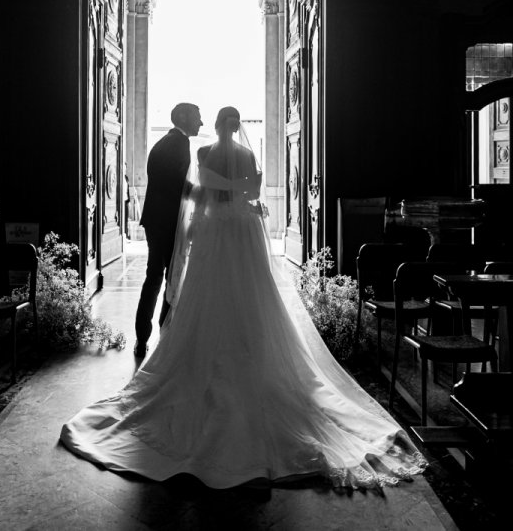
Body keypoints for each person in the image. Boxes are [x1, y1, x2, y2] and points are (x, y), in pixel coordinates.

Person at [60, 106, 426, 489]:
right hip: (242, 236)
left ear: (217, 125)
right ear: (236, 127)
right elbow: (252, 195)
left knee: (204, 298)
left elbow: (197, 197)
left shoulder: (200, 154)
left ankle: (171, 342)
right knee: (249, 296)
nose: (202, 122)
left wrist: (204, 214)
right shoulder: (249, 155)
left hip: (211, 236)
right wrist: (243, 203)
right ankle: (247, 350)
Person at [133, 101, 202, 358]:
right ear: (183, 117)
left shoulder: (164, 142)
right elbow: (177, 185)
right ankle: (165, 333)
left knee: (154, 277)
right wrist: (205, 196)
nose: (201, 122)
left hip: (155, 219)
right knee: (171, 276)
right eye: (197, 117)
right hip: (168, 222)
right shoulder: (180, 144)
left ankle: (142, 337)